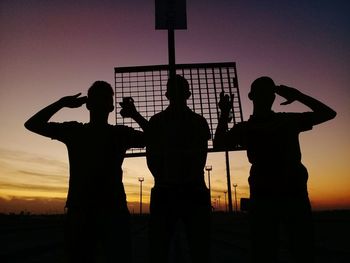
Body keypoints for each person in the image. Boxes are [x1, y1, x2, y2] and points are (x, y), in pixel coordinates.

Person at [214, 76, 336, 263]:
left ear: (251, 96)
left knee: (268, 250)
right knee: (296, 249)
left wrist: (224, 113)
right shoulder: (285, 122)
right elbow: (327, 113)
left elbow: (219, 142)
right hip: (287, 195)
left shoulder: (249, 128)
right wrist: (298, 96)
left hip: (272, 195)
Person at [24, 81, 144, 263]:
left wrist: (61, 104)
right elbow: (156, 137)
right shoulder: (116, 133)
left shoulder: (76, 131)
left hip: (90, 210)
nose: (102, 104)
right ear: (111, 107)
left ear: (88, 104)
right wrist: (134, 115)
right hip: (104, 210)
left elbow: (33, 124)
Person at [120, 75, 212, 263]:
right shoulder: (198, 122)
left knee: (162, 248)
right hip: (190, 190)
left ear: (166, 94)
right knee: (196, 248)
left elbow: (155, 142)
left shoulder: (159, 121)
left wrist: (163, 175)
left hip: (170, 190)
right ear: (189, 94)